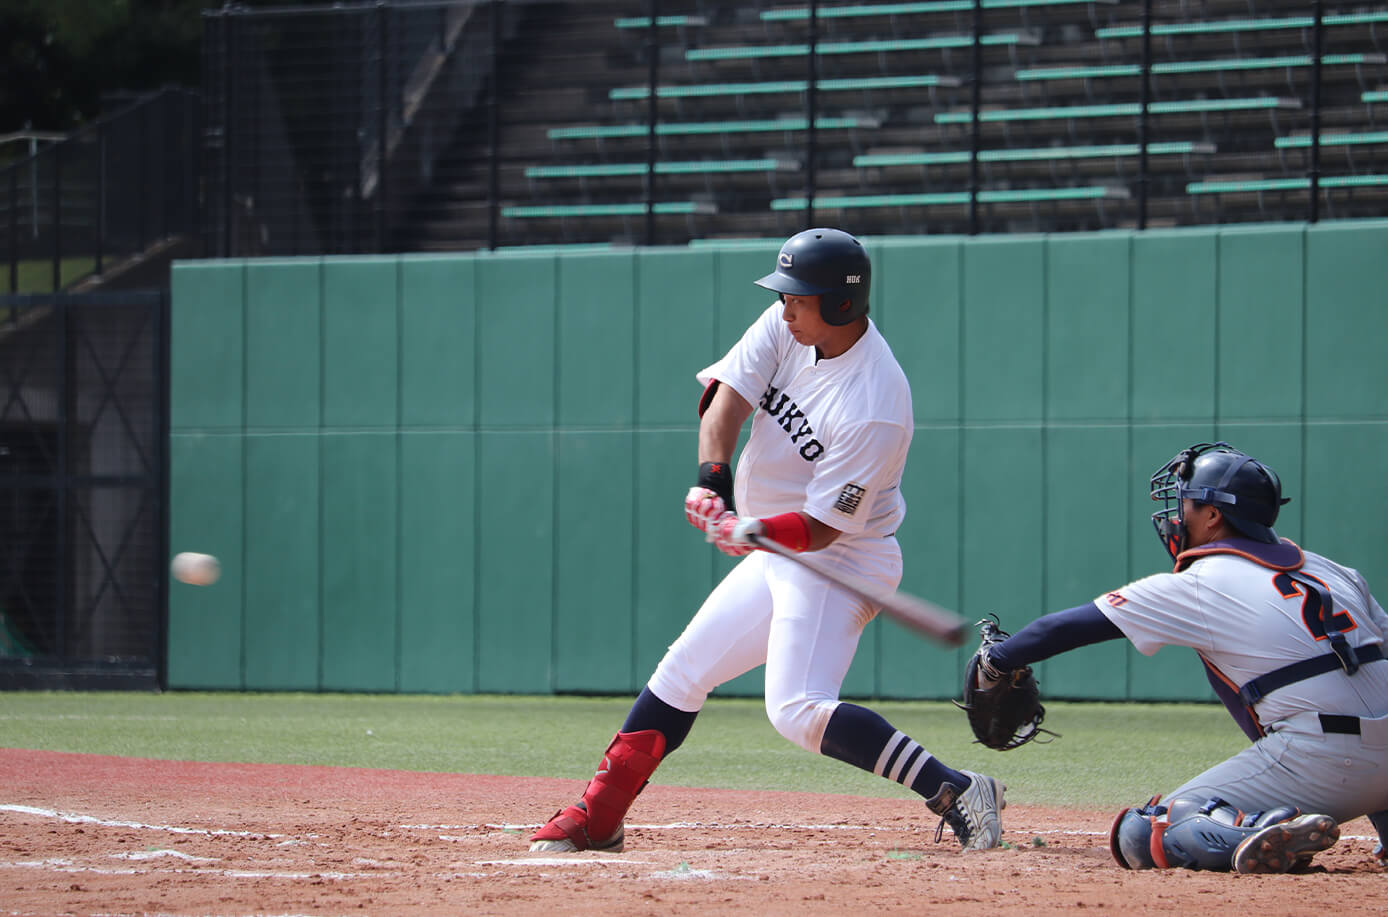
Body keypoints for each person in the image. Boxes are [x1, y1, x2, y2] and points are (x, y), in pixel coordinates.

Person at [528, 228, 1005, 854]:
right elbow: (727, 404)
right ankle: (600, 813)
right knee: (681, 672)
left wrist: (754, 529)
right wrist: (713, 484)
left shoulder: (876, 402)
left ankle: (957, 790)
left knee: (797, 709)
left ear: (840, 305)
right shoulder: (788, 325)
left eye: (798, 299)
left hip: (841, 559)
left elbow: (825, 526)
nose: (784, 308)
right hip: (778, 548)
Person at [976, 442, 1388, 873]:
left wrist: (997, 660)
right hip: (1370, 762)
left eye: (1187, 502)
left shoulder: (1203, 581)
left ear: (1214, 516)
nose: (1177, 515)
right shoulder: (1335, 572)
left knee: (1143, 831)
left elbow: (1061, 629)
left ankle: (1252, 836)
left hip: (1323, 763)